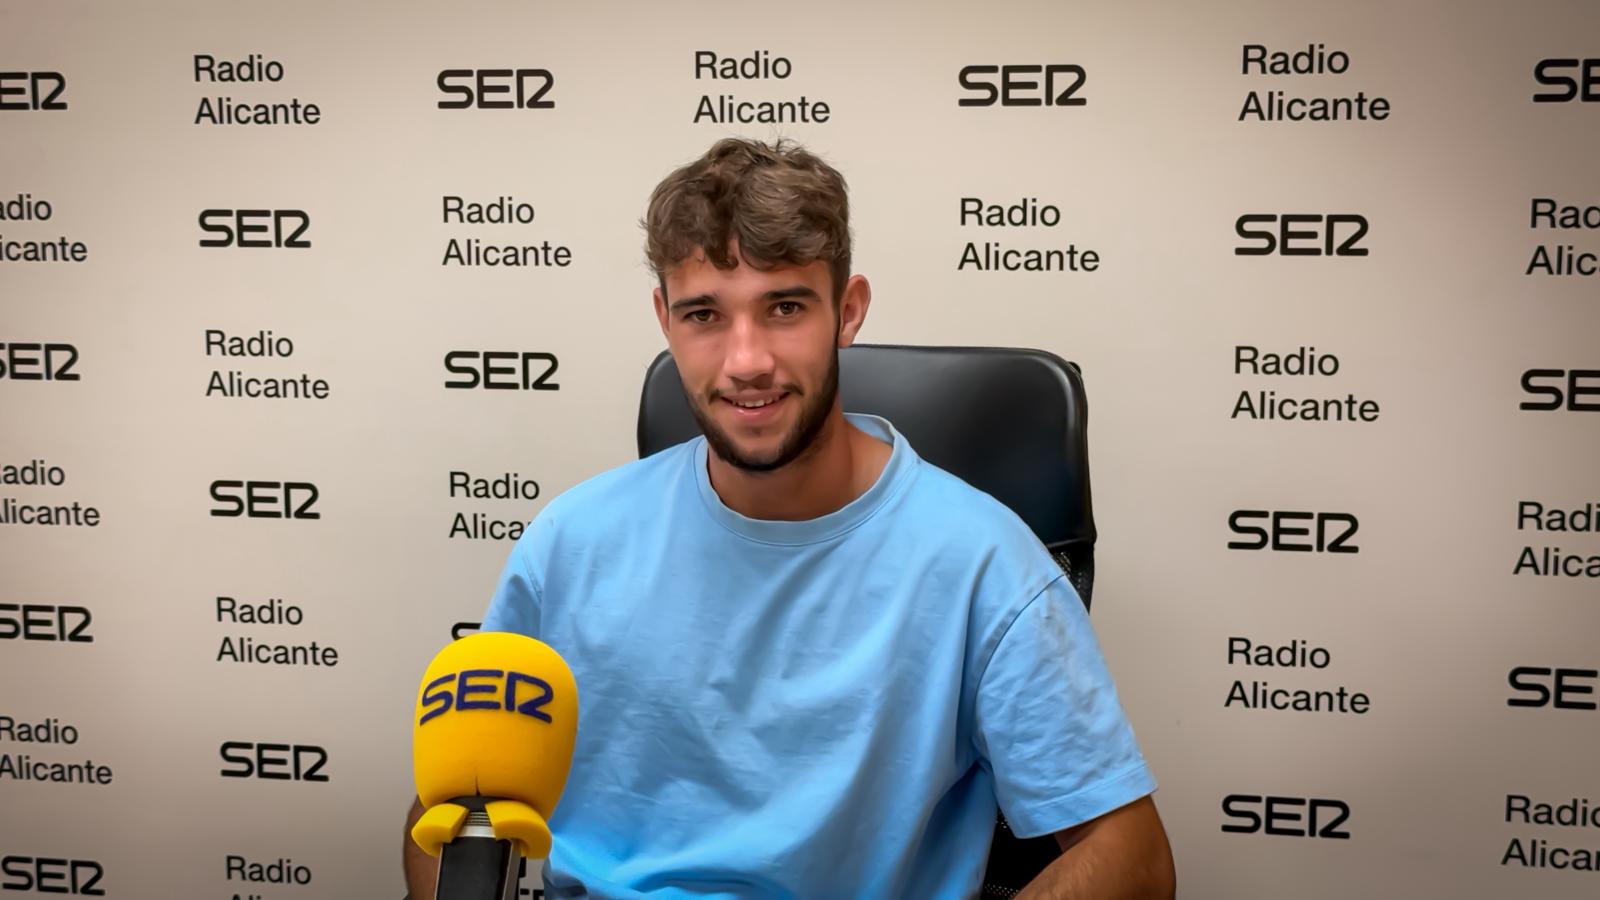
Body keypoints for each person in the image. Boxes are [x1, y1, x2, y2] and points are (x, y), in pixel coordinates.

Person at [404, 138, 1175, 899]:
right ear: (665, 320)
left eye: (784, 307)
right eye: (705, 313)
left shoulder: (984, 565)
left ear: (848, 310)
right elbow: (453, 813)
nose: (746, 361)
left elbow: (1131, 856)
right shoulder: (568, 544)